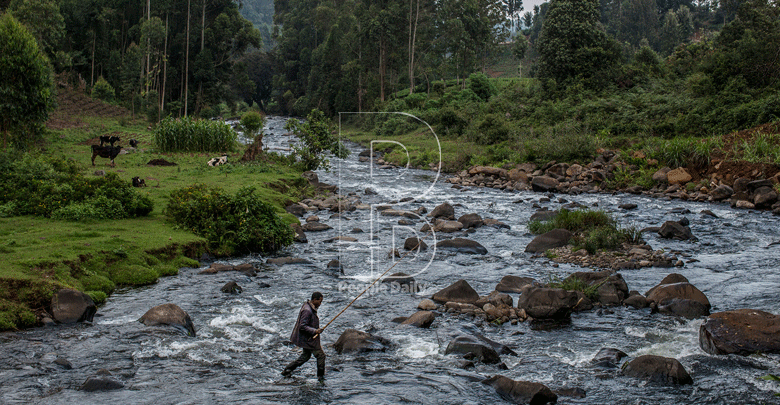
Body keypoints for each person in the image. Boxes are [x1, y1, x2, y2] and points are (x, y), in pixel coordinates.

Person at [282, 292, 326, 381]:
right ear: (314, 300)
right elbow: (302, 326)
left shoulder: (308, 306)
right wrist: (315, 331)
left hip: (306, 338)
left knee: (305, 356)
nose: (320, 304)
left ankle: (287, 370)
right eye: (320, 301)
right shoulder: (307, 310)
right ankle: (320, 378)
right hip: (308, 339)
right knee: (321, 356)